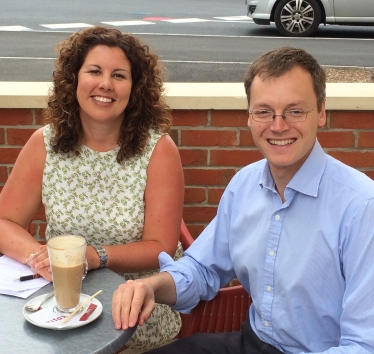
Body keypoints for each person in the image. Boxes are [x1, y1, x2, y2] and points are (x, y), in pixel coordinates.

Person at [111, 47, 374, 354]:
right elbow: (202, 269)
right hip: (250, 342)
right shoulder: (244, 186)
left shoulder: (361, 207)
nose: (278, 125)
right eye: (264, 111)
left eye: (295, 111)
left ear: (322, 112)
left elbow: (363, 344)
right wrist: (151, 287)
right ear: (249, 117)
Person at [0, 26, 184, 352]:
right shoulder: (45, 143)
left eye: (119, 75)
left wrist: (94, 257)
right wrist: (40, 258)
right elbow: (5, 221)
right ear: (73, 80)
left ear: (135, 88)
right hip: (62, 298)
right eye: (94, 71)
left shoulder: (159, 150)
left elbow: (161, 247)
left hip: (136, 302)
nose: (105, 84)